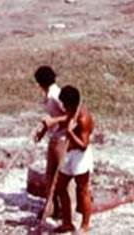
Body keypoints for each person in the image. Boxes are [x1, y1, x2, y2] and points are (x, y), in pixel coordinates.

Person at [53, 85, 94, 234]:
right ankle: (67, 222)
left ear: (71, 103)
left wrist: (70, 133)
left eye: (64, 104)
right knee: (60, 186)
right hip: (69, 153)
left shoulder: (84, 118)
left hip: (81, 156)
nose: (63, 107)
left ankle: (85, 225)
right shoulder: (72, 112)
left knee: (82, 190)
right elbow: (66, 119)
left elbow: (84, 145)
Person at [33, 65, 67, 220]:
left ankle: (65, 213)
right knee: (50, 176)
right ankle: (50, 208)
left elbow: (72, 116)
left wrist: (53, 121)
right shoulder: (48, 95)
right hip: (54, 137)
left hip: (64, 139)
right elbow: (50, 119)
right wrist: (43, 131)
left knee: (61, 177)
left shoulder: (56, 95)